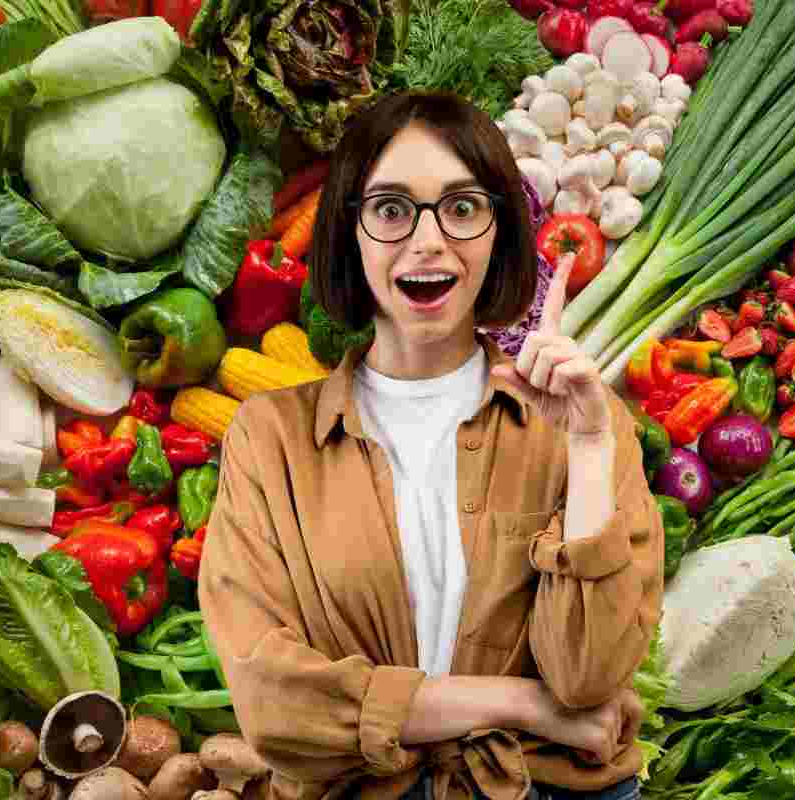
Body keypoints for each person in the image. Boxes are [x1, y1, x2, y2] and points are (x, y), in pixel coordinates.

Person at [199, 90, 664, 800]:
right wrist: (523, 705)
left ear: (499, 232)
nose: (427, 241)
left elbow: (587, 679)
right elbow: (275, 707)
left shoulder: (581, 426)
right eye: (390, 210)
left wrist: (593, 445)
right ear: (350, 233)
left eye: (461, 207)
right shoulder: (269, 440)